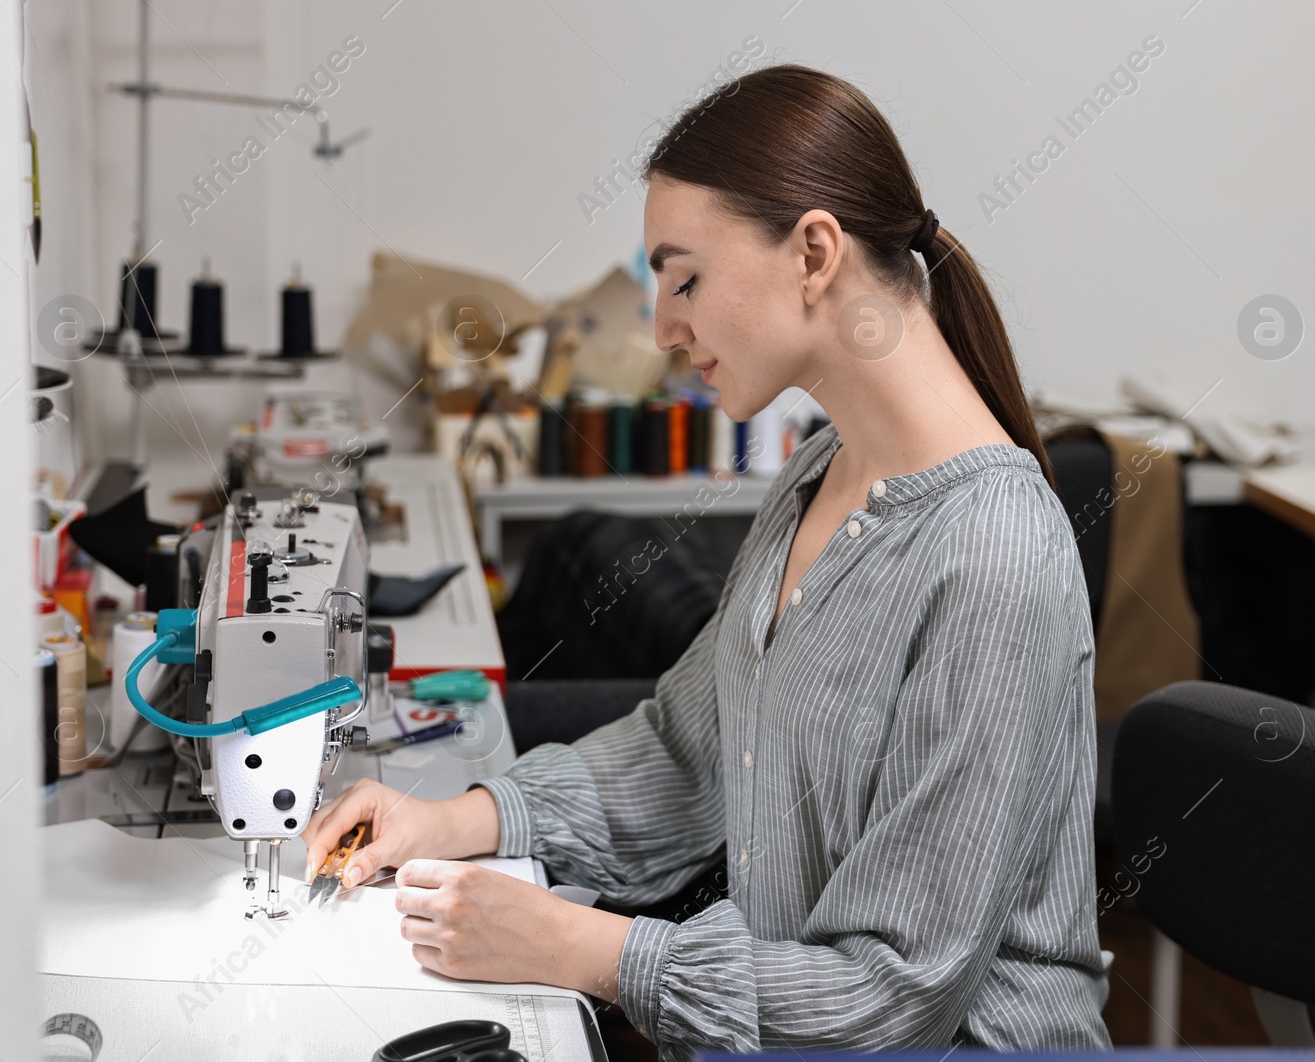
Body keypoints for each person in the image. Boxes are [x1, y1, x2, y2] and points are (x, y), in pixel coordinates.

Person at [304, 63, 1112, 1058]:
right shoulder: (821, 472)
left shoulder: (994, 551)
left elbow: (894, 998)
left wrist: (586, 947)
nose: (661, 328)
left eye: (684, 279)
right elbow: (684, 750)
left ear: (815, 252)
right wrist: (453, 818)